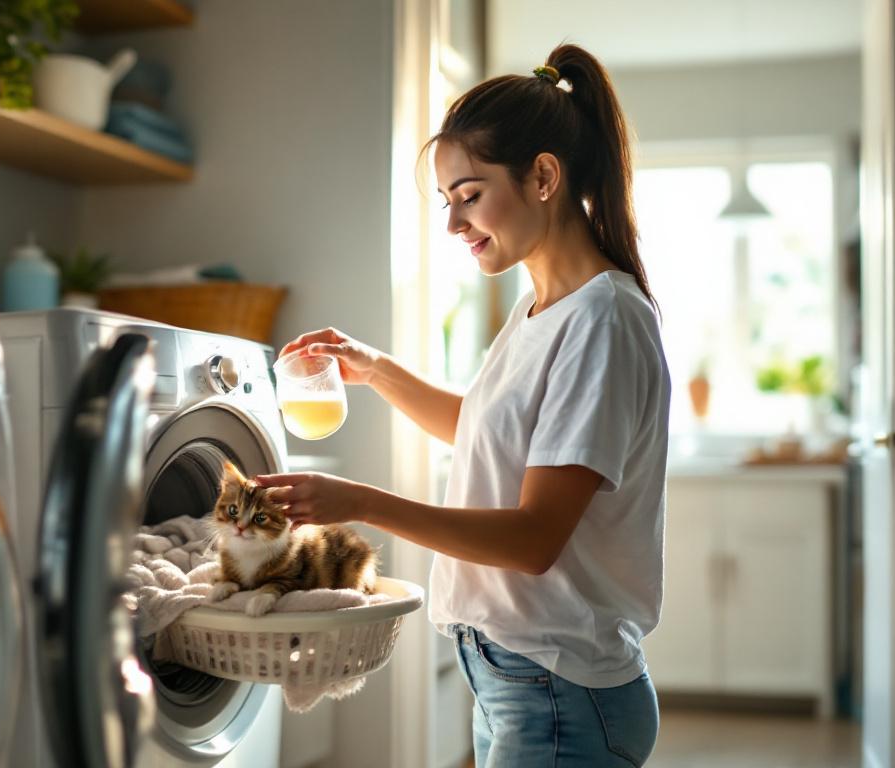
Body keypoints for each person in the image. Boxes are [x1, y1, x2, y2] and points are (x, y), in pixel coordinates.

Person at [255, 43, 670, 767]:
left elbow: (533, 538)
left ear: (544, 176)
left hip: (557, 689)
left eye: (469, 194)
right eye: (447, 200)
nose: (453, 223)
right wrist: (377, 370)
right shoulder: (543, 307)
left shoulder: (602, 320)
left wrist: (357, 501)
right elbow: (488, 434)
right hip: (515, 674)